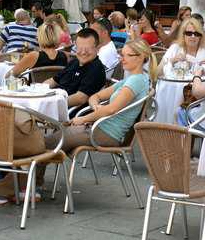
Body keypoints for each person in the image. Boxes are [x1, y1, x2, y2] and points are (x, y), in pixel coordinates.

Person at [30, 38, 154, 195]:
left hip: (105, 133)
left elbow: (110, 110)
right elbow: (95, 96)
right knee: (48, 140)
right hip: (99, 127)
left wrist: (83, 119)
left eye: (126, 55)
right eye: (121, 54)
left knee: (45, 142)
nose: (121, 59)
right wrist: (96, 107)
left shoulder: (136, 81)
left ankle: (28, 185)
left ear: (141, 57)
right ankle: (32, 183)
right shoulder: (132, 79)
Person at [45, 28, 107, 108]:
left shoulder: (96, 69)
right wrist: (38, 91)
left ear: (97, 48)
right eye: (80, 48)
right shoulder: (74, 62)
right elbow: (53, 80)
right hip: (53, 103)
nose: (83, 52)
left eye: (88, 49)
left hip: (66, 112)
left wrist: (53, 103)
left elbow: (81, 98)